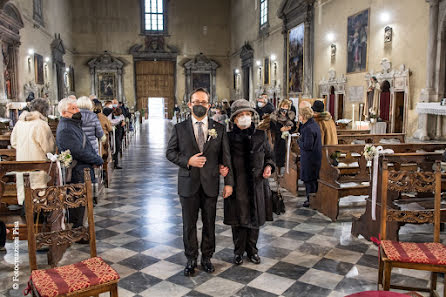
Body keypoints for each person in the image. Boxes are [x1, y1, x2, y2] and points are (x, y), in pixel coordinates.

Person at [166, 88, 234, 277]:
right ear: (189, 104)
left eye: (203, 102)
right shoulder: (180, 128)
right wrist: (188, 161)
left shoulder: (219, 129)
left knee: (209, 223)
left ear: (209, 105)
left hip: (210, 183)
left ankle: (207, 258)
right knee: (189, 224)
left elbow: (225, 158)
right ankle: (190, 258)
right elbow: (170, 153)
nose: (200, 105)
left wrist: (228, 182)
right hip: (188, 184)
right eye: (196, 102)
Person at [221, 99, 275, 265]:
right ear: (235, 119)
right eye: (241, 115)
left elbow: (270, 156)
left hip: (257, 185)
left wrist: (268, 166)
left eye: (247, 114)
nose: (245, 117)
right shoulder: (228, 138)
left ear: (252, 116)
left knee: (254, 221)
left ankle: (252, 251)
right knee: (238, 221)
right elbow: (223, 159)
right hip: (238, 185)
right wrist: (221, 168)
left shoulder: (260, 135)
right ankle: (238, 252)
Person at [56, 98, 103, 230]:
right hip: (78, 171)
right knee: (78, 202)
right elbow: (77, 151)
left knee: (82, 202)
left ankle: (80, 228)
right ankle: (78, 230)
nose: (78, 111)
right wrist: (96, 159)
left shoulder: (72, 124)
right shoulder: (66, 128)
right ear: (64, 113)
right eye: (74, 109)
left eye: (76, 108)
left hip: (82, 169)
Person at [298, 105, 322, 208]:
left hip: (309, 159)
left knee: (309, 180)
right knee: (313, 180)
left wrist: (299, 141)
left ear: (303, 116)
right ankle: (313, 199)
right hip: (315, 157)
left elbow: (307, 146)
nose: (298, 117)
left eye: (299, 115)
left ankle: (310, 200)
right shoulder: (314, 124)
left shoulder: (308, 128)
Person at [270, 99, 296, 174]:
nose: (285, 107)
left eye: (286, 106)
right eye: (283, 106)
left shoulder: (291, 115)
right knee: (281, 147)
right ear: (280, 106)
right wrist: (280, 129)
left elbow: (294, 126)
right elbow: (272, 127)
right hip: (279, 137)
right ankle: (279, 169)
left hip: (289, 136)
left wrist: (290, 128)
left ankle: (290, 169)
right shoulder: (275, 115)